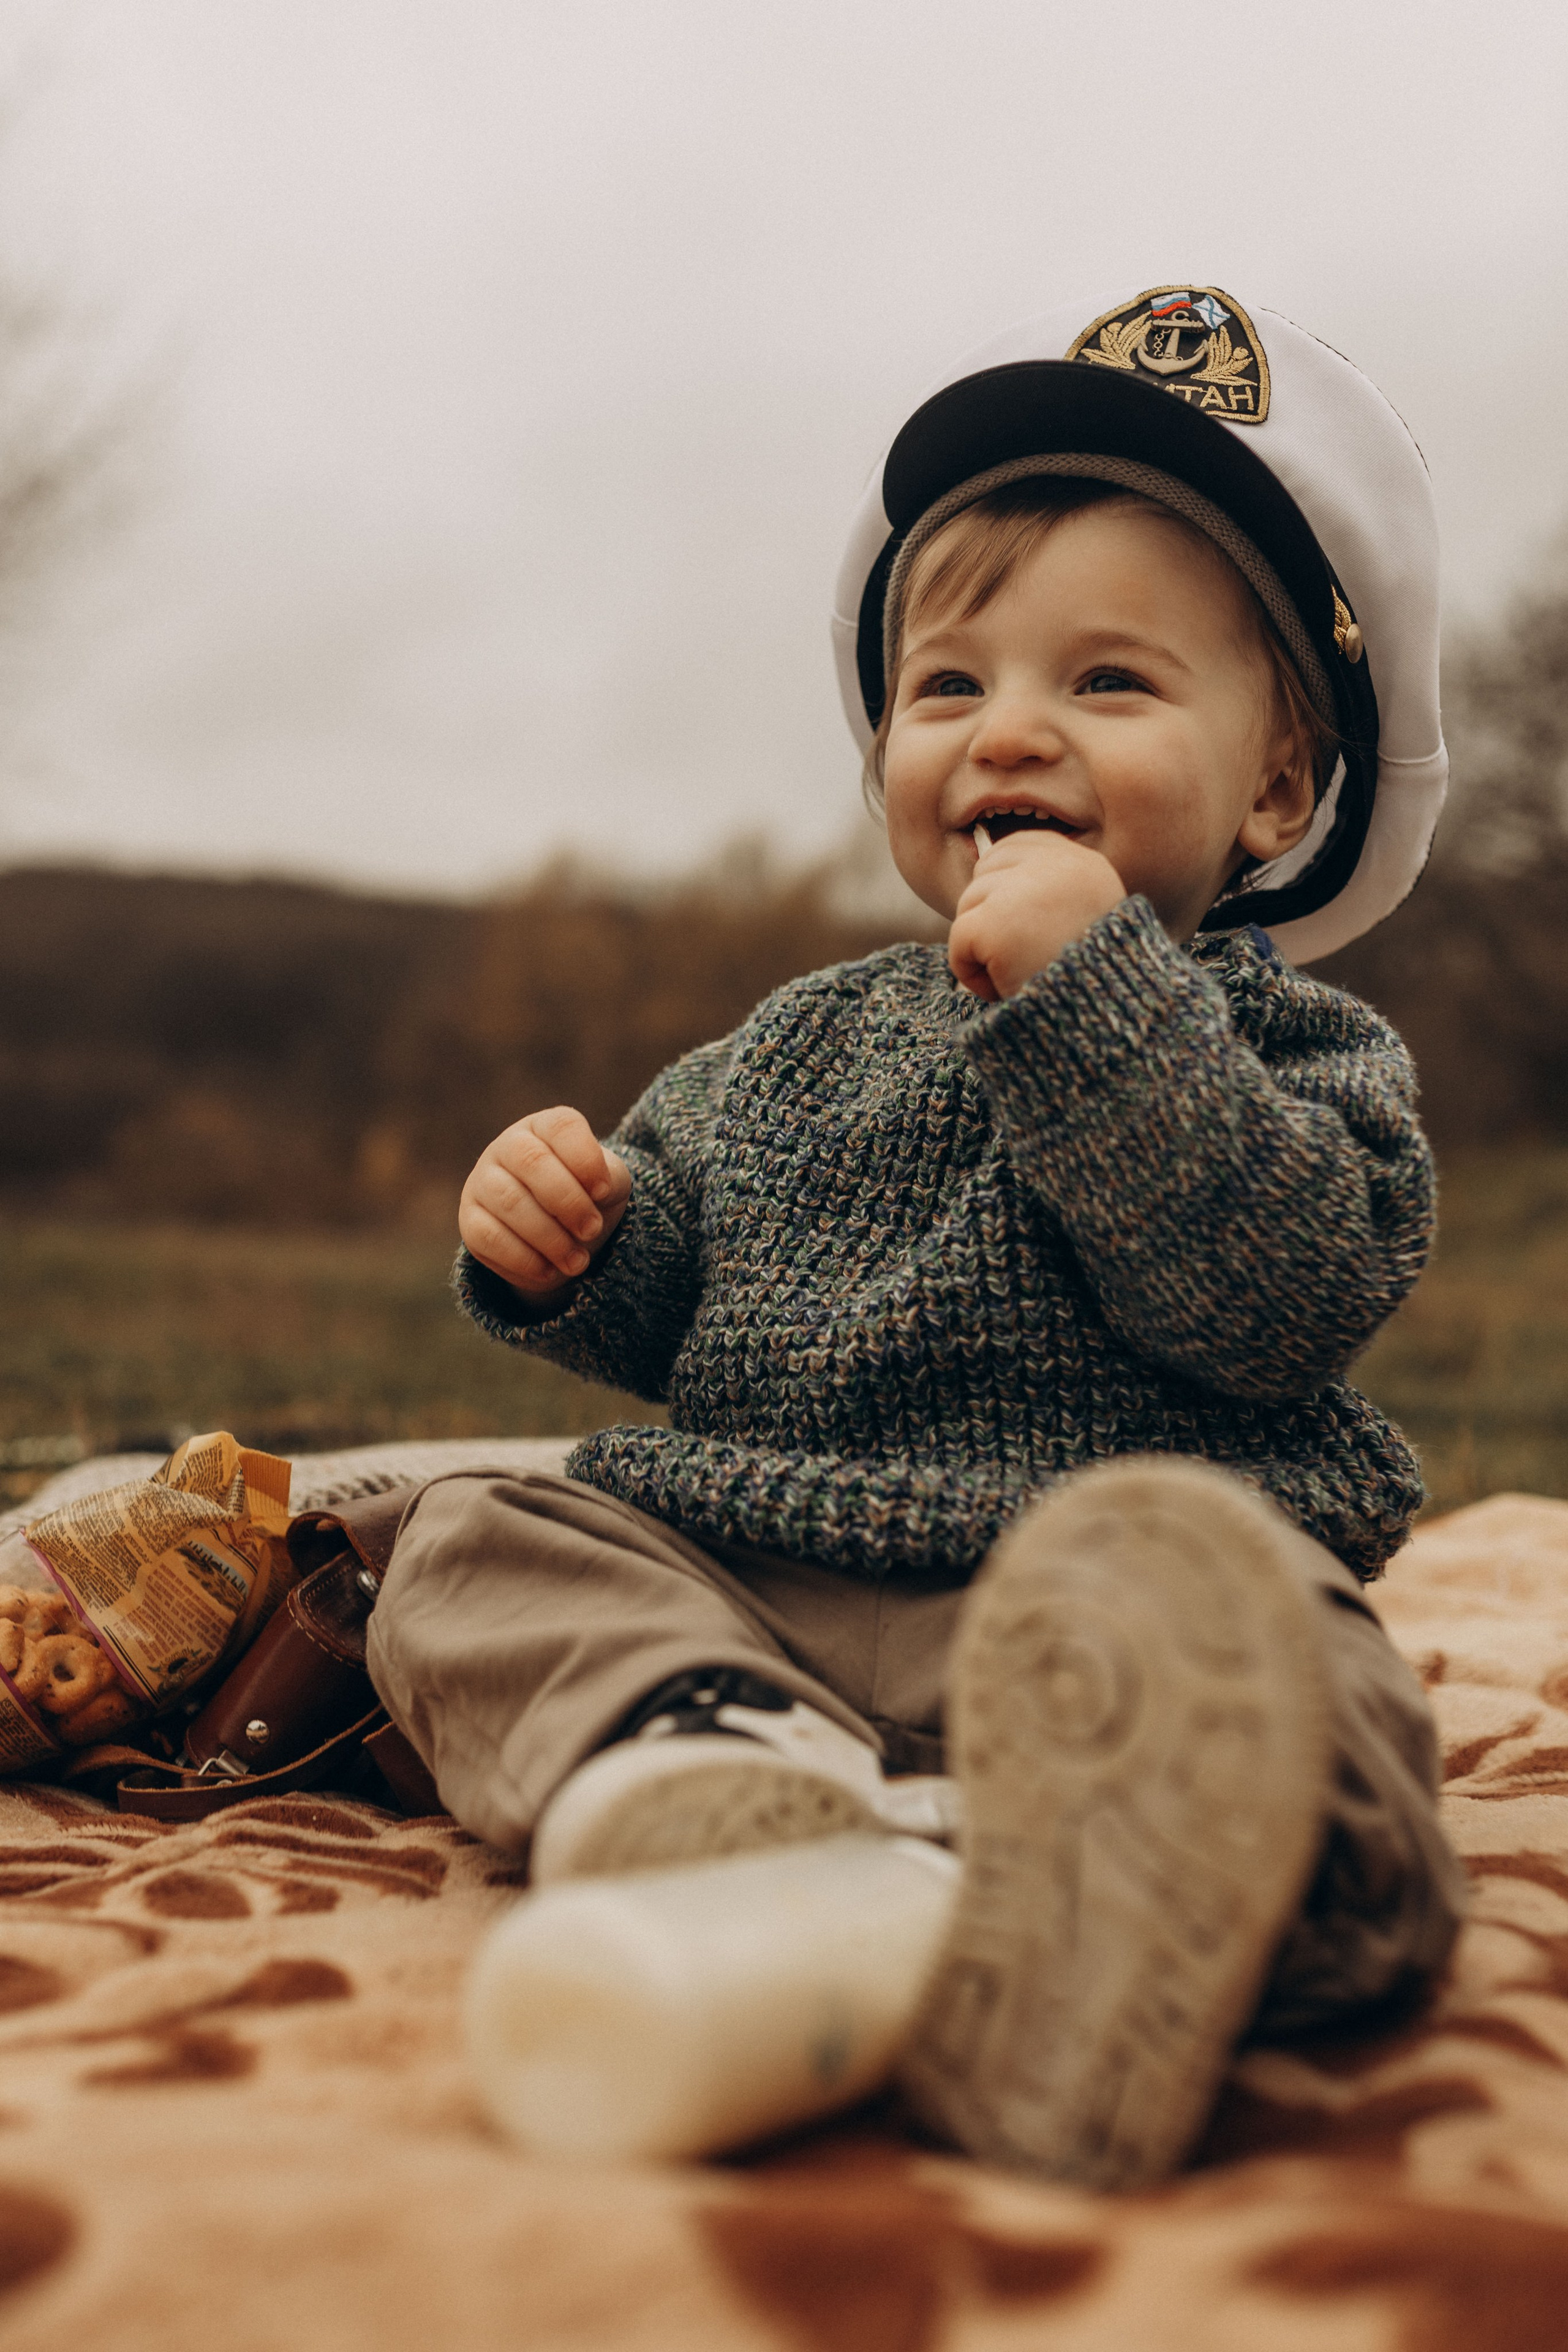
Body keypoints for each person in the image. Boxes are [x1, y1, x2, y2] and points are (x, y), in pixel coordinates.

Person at [367, 283, 1467, 2188]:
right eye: (948, 688)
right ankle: (712, 1766)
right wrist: (581, 1238)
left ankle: (1024, 1900)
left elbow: (1278, 1300)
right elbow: (687, 1277)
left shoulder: (1295, 1046)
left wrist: (1099, 1005)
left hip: (1114, 1620)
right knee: (476, 1541)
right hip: (760, 1584)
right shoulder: (803, 1036)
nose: (1007, 728)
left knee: (1332, 1723)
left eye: (1108, 684)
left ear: (1280, 790)